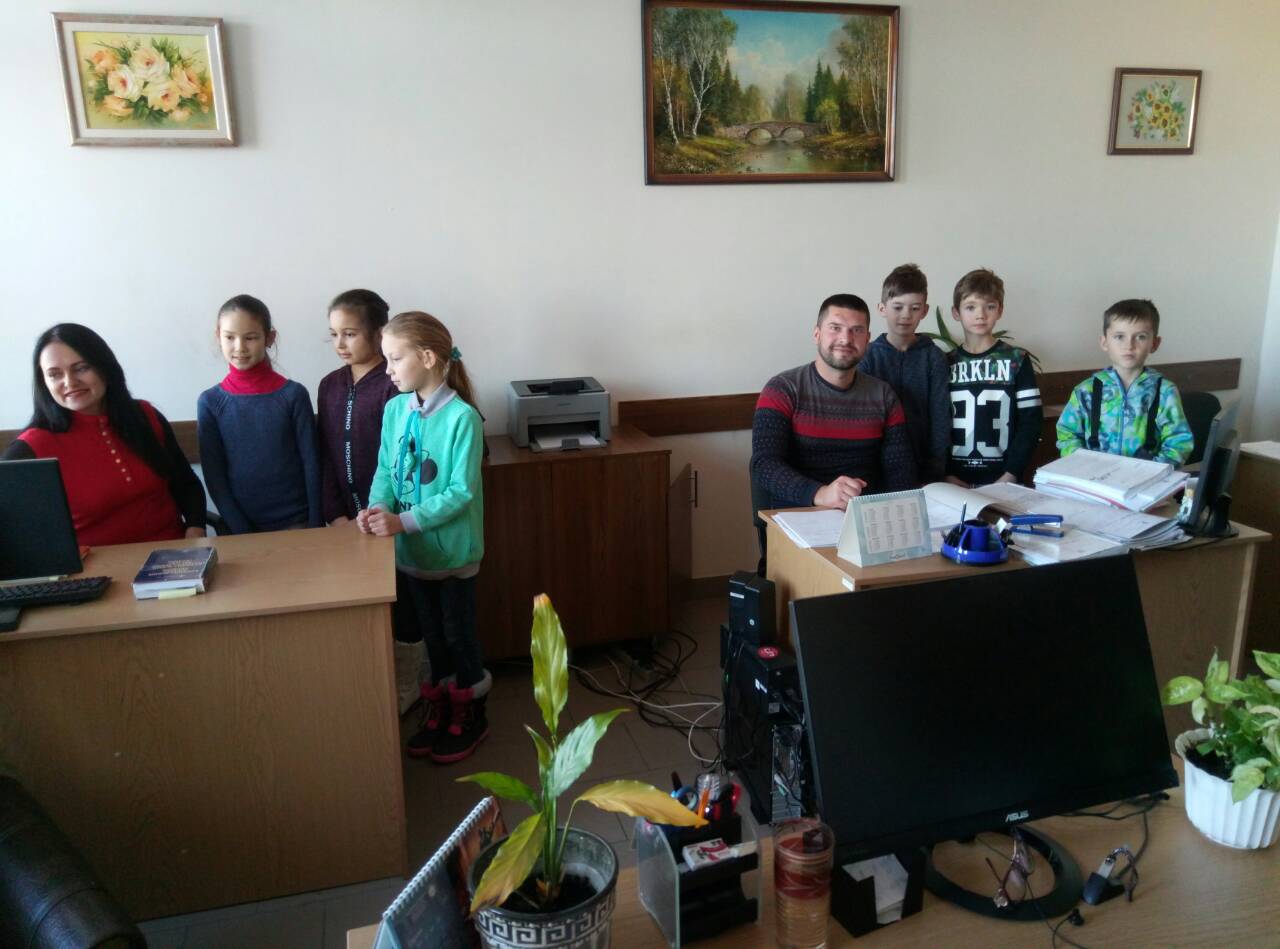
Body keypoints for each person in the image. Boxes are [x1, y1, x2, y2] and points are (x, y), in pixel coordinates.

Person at [360, 310, 488, 764]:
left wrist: (404, 522)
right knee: (432, 637)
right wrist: (378, 508)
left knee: (458, 635)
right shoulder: (395, 410)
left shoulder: (463, 418)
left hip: (452, 556)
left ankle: (470, 711)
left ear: (429, 358)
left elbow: (461, 492)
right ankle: (441, 707)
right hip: (411, 555)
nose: (388, 370)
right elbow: (385, 470)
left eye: (395, 359)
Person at [750, 293, 916, 571]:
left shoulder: (884, 396)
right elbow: (764, 465)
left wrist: (898, 525)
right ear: (817, 334)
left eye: (856, 330)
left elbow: (901, 471)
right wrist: (821, 493)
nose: (845, 338)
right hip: (798, 521)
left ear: (867, 339)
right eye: (835, 328)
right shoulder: (782, 389)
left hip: (865, 527)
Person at [3, 324, 206, 546]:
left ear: (105, 368)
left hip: (174, 557)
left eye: (81, 368)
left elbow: (186, 484)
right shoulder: (31, 448)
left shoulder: (145, 416)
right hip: (95, 565)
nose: (69, 382)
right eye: (54, 374)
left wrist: (195, 531)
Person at [317, 288, 420, 714]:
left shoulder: (396, 385)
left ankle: (410, 681)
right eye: (334, 334)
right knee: (362, 607)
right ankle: (371, 682)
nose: (340, 344)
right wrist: (335, 514)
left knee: (406, 603)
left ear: (378, 334)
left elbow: (405, 459)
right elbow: (325, 454)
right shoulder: (329, 386)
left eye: (350, 333)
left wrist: (390, 515)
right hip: (349, 520)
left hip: (393, 519)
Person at [197, 294, 323, 533]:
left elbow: (312, 463)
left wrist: (315, 525)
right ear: (218, 337)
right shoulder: (210, 402)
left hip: (297, 523)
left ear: (269, 337)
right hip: (241, 529)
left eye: (250, 337)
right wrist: (240, 531)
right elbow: (215, 477)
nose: (240, 347)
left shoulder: (293, 395)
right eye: (230, 337)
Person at [1056, 299, 1192, 465]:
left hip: (1148, 477)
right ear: (1104, 342)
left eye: (1140, 337)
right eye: (1119, 337)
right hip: (1094, 476)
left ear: (1154, 344)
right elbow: (1067, 434)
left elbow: (1179, 442)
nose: (1129, 346)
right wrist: (1085, 466)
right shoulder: (1085, 391)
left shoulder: (1164, 392)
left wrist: (1152, 470)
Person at [946, 269, 1043, 487]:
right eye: (970, 307)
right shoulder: (944, 363)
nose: (980, 315)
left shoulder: (1017, 360)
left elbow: (1031, 422)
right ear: (956, 312)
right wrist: (945, 473)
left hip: (1004, 478)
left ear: (1000, 310)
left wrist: (1011, 473)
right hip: (954, 478)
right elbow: (935, 424)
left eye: (989, 306)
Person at [858, 263, 951, 484]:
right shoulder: (868, 356)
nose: (906, 315)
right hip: (873, 470)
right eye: (898, 307)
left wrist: (935, 470)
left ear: (925, 310)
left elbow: (940, 419)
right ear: (882, 308)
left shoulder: (934, 357)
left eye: (915, 308)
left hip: (924, 469)